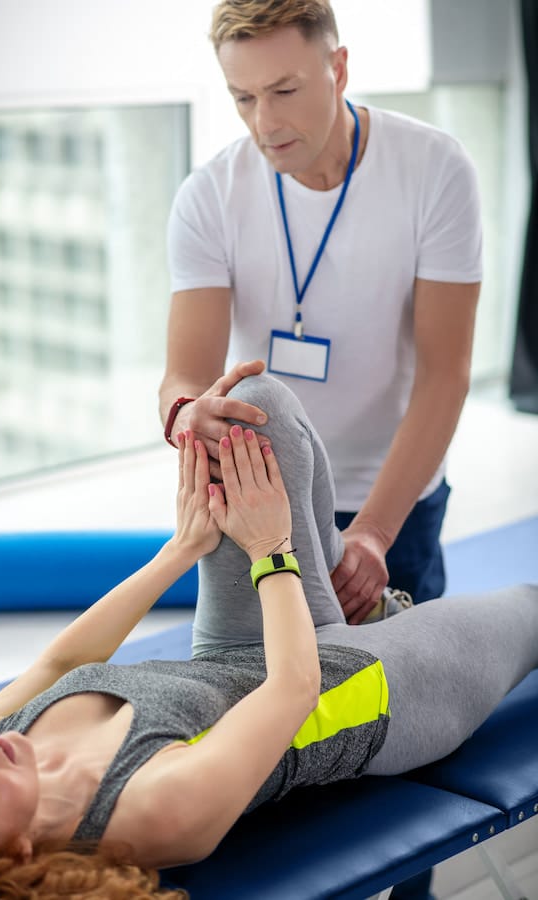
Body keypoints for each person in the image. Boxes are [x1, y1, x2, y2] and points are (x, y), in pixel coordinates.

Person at [0, 368, 536, 900]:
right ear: (16, 854)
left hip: (231, 646)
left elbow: (59, 665)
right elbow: (294, 689)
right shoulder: (151, 812)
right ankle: (368, 617)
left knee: (250, 411)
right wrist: (269, 548)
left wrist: (181, 549)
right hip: (357, 684)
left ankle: (358, 598)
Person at [159, 0, 483, 628]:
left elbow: (446, 374)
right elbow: (185, 376)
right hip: (266, 496)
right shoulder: (208, 197)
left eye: (284, 90)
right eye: (243, 97)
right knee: (266, 683)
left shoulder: (436, 169)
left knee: (409, 684)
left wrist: (375, 532)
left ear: (338, 69)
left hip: (396, 496)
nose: (265, 122)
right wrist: (184, 414)